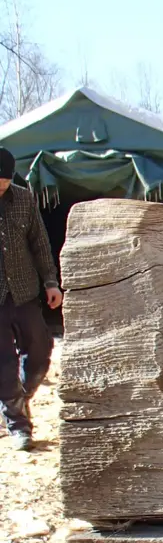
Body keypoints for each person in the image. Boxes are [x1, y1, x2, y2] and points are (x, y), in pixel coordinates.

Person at [0, 147, 62, 451]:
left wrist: (51, 282)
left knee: (40, 353)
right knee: (3, 365)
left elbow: (39, 243)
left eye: (4, 181)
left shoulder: (24, 199)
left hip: (24, 292)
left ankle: (16, 402)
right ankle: (19, 426)